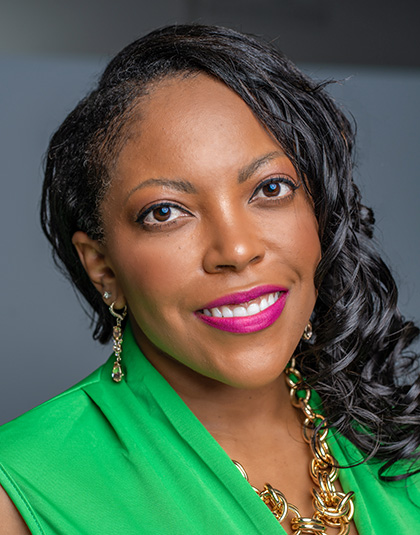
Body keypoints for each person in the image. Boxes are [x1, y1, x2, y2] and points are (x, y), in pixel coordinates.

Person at [0, 24, 419, 535]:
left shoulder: (396, 439)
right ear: (102, 266)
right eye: (165, 212)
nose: (236, 251)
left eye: (270, 188)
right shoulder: (20, 493)